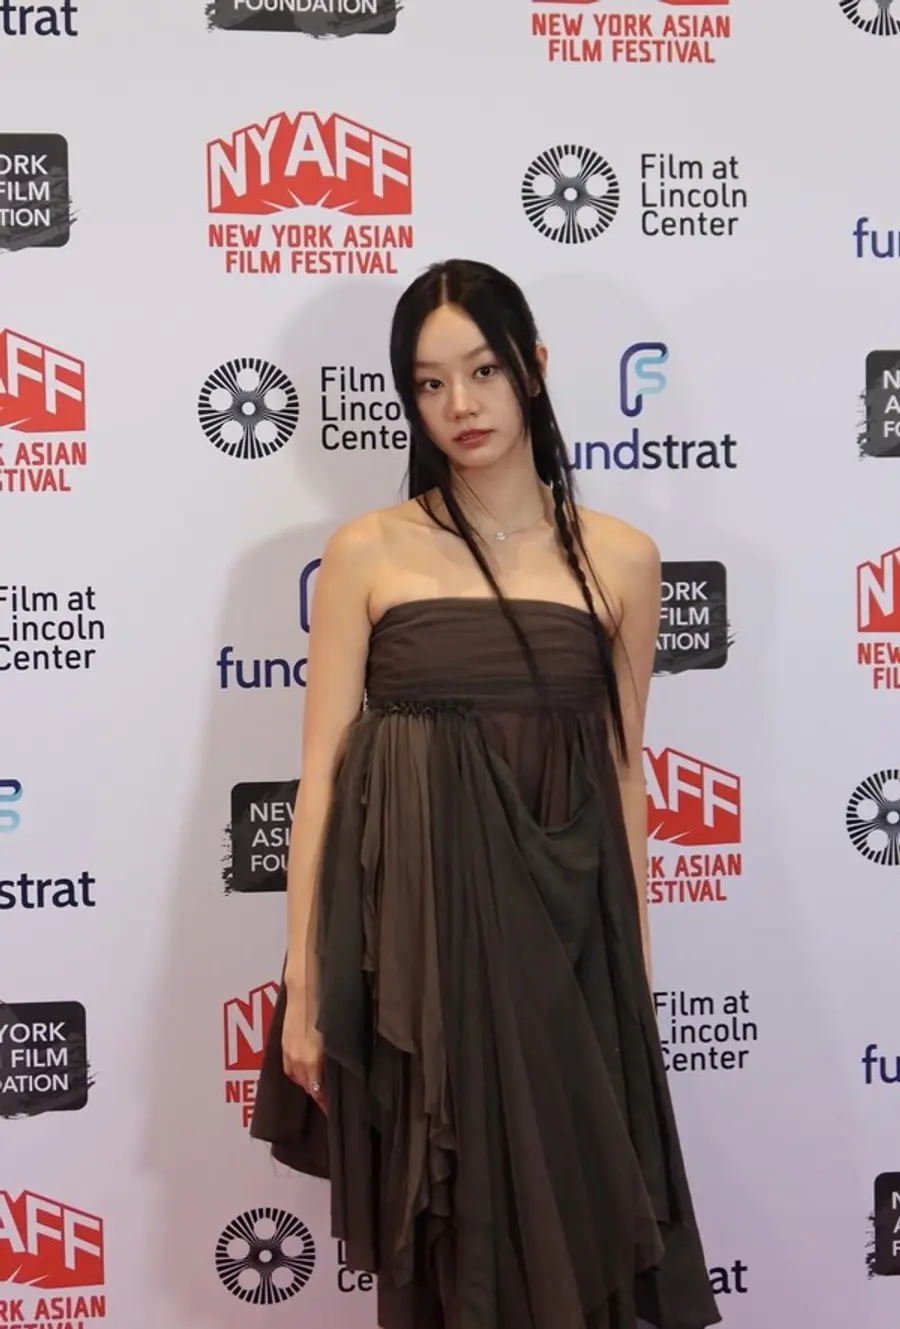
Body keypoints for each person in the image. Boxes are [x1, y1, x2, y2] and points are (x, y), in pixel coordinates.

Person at [250, 258, 721, 1329]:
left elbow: (625, 771)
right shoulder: (367, 551)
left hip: (568, 940)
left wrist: (635, 969)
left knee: (574, 1234)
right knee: (450, 1227)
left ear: (533, 368)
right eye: (429, 383)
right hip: (419, 944)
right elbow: (320, 777)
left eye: (483, 371)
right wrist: (303, 980)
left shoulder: (622, 559)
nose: (459, 404)